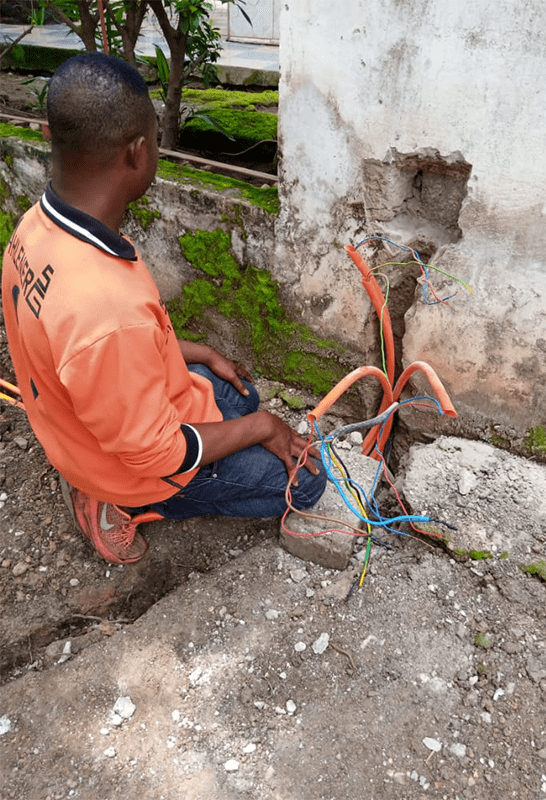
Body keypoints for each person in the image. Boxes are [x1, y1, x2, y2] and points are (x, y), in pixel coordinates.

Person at [1, 53, 326, 564]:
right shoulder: (104, 306)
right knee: (307, 483)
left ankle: (117, 469)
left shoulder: (34, 229)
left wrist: (201, 353)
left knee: (242, 395)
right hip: (133, 465)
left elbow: (117, 348)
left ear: (51, 136)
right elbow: (161, 452)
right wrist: (265, 427)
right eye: (155, 141)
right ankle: (117, 500)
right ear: (136, 153)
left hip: (87, 422)